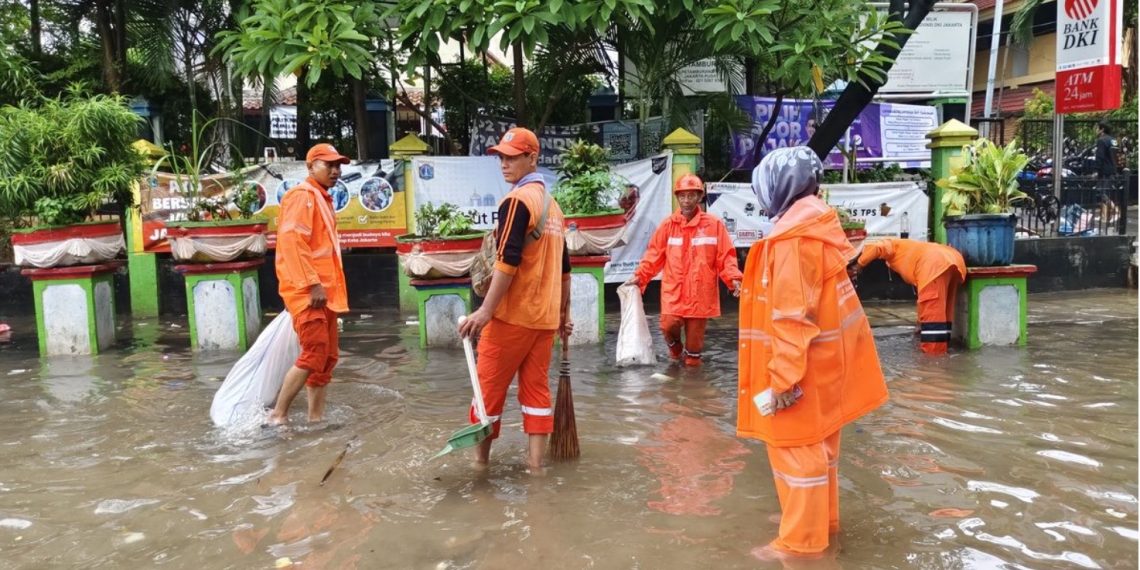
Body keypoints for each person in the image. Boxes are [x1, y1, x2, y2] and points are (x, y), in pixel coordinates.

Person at [738, 147, 887, 562]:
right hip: (826, 368)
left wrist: (783, 379)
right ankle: (821, 525)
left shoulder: (790, 240)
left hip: (800, 369)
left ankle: (801, 546)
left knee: (794, 448)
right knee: (821, 451)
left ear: (778, 188)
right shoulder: (817, 229)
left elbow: (790, 315)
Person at [457, 127, 573, 472]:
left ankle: (479, 468)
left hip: (511, 318)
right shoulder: (554, 209)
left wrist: (484, 312)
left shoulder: (517, 202)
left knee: (487, 393)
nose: (504, 163)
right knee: (537, 395)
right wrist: (563, 316)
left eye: (512, 157)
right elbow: (566, 271)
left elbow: (507, 261)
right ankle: (535, 468)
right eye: (501, 157)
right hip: (544, 322)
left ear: (532, 158)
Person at [267, 143, 351, 425]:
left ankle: (316, 419)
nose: (336, 171)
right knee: (314, 352)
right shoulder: (302, 195)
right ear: (311, 166)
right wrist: (312, 284)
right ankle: (278, 416)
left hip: (324, 294)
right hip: (309, 293)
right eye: (329, 165)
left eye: (338, 166)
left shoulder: (320, 197)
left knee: (326, 358)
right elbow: (293, 242)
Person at [624, 174, 742, 366]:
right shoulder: (668, 226)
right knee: (667, 324)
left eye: (691, 196)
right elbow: (653, 256)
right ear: (677, 198)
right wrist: (640, 277)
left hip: (700, 294)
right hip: (674, 292)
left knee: (693, 357)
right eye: (682, 196)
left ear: (699, 197)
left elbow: (726, 257)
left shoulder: (714, 225)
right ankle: (676, 350)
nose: (686, 201)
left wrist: (734, 279)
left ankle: (694, 388)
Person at [848, 238, 966, 355]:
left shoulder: (892, 244)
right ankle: (945, 347)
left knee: (933, 312)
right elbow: (922, 299)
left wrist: (858, 265)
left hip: (933, 263)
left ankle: (933, 359)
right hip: (953, 259)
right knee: (944, 309)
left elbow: (876, 247)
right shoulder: (912, 249)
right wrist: (920, 323)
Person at [1095, 121, 1120, 223]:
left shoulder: (1102, 140)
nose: (1096, 130)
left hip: (1104, 170)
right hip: (1113, 169)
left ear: (1102, 129)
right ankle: (1104, 216)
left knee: (1100, 192)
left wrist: (1096, 170)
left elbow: (1099, 157)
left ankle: (1116, 210)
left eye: (1097, 128)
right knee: (1105, 192)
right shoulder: (1113, 141)